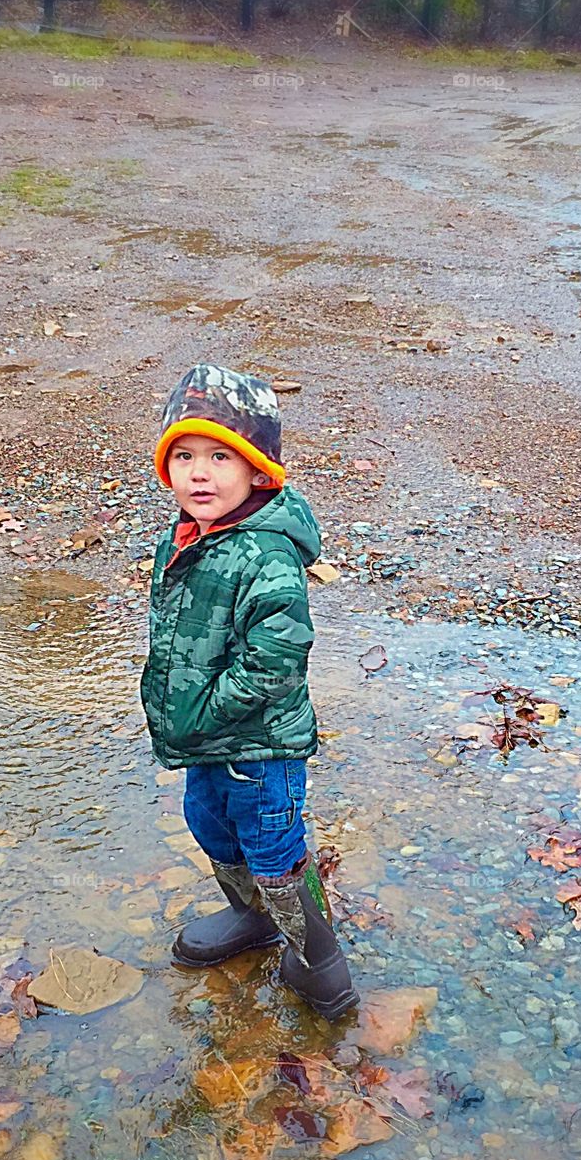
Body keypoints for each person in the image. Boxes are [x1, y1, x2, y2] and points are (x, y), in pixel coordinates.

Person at [140, 363, 357, 1021]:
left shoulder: (267, 556)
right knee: (209, 824)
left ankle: (321, 962)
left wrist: (202, 711)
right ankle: (253, 920)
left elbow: (277, 662)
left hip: (258, 748)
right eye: (183, 454)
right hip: (207, 741)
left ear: (259, 470)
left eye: (219, 457)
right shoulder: (188, 537)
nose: (198, 473)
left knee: (273, 850)